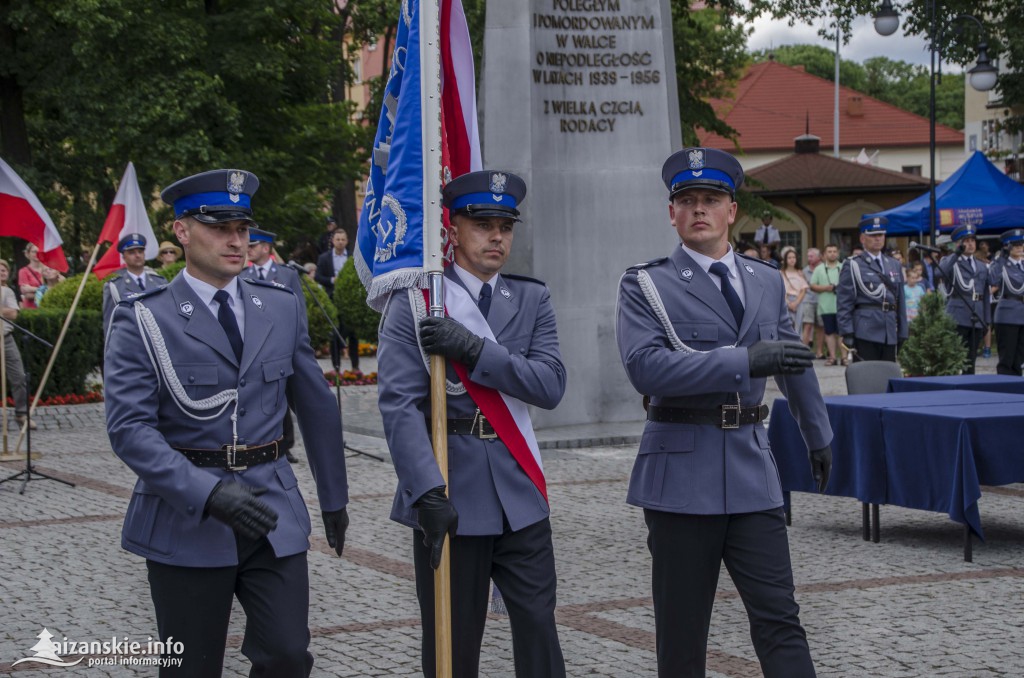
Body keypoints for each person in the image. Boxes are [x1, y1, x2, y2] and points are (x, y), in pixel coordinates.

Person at [104, 168, 350, 677]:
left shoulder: (281, 305)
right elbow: (130, 429)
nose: (236, 240)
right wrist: (208, 493)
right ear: (181, 231)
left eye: (242, 227)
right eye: (219, 227)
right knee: (191, 666)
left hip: (270, 504)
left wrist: (334, 498)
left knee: (286, 653)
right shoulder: (143, 317)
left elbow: (315, 403)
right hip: (186, 516)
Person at [615, 147, 832, 678]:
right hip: (680, 475)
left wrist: (818, 434)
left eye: (710, 199)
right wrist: (743, 360)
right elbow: (647, 369)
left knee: (780, 618)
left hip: (752, 471)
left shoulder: (761, 280)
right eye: (686, 200)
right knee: (683, 633)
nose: (698, 209)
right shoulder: (647, 284)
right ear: (672, 213)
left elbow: (793, 361)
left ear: (731, 210)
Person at [377, 170, 568, 678]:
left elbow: (549, 385)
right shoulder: (416, 301)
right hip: (450, 488)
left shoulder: (531, 298)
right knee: (452, 644)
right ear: (453, 227)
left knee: (538, 630)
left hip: (519, 490)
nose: (497, 236)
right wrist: (426, 491)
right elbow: (398, 406)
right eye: (483, 223)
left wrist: (475, 350)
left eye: (505, 225)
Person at [241, 226, 304, 464]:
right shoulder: (241, 275)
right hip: (254, 348)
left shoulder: (286, 275)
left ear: (266, 248)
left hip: (281, 345)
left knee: (284, 397)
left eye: (253, 245)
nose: (249, 249)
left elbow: (300, 313)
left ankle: (285, 445)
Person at [836, 216, 908, 362]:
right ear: (863, 238)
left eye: (880, 235)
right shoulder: (853, 265)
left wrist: (903, 331)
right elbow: (844, 301)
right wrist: (847, 332)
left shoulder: (894, 264)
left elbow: (900, 300)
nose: (878, 239)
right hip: (865, 330)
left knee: (887, 376)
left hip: (889, 329)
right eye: (873, 235)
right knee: (867, 378)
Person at [938, 224, 990, 374]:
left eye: (972, 240)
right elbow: (940, 272)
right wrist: (956, 254)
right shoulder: (950, 261)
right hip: (958, 316)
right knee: (955, 359)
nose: (970, 244)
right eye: (965, 241)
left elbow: (985, 293)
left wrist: (986, 319)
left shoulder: (981, 266)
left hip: (977, 315)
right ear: (958, 243)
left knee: (971, 359)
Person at [101, 234, 168, 338]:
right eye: (132, 252)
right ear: (124, 257)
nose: (137, 255)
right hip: (130, 342)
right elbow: (110, 324)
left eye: (140, 252)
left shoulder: (160, 282)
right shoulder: (114, 287)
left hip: (159, 341)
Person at [315, 229, 360, 370]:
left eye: (343, 239)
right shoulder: (324, 258)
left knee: (353, 334)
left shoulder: (353, 258)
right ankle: (336, 367)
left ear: (346, 242)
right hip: (332, 299)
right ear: (333, 241)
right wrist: (331, 280)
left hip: (350, 302)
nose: (340, 242)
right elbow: (318, 277)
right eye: (338, 239)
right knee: (334, 334)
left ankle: (355, 367)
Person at [0, 259, 32, 431]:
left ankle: (21, 413)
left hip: (5, 338)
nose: (2, 272)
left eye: (4, 270)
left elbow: (13, 313)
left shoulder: (8, 292)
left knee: (19, 377)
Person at [988, 228, 1024, 376]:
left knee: (1019, 360)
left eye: (1021, 244)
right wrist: (1001, 258)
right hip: (1007, 314)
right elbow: (993, 280)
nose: (1020, 248)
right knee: (1006, 360)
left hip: (1022, 315)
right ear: (1007, 247)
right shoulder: (1000, 264)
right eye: (1015, 245)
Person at [810, 244, 842, 366]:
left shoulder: (843, 267)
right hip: (826, 306)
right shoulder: (819, 269)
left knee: (842, 333)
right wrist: (826, 288)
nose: (832, 254)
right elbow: (812, 285)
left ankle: (844, 358)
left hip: (841, 306)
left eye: (834, 251)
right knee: (829, 332)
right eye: (829, 251)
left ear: (838, 253)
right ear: (824, 255)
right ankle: (832, 357)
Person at [800, 247, 823, 356]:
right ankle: (804, 351)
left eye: (812, 256)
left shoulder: (824, 269)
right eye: (808, 256)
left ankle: (819, 351)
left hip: (821, 301)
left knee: (820, 327)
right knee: (807, 325)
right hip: (808, 301)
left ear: (819, 257)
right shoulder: (804, 271)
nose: (809, 258)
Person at [780, 246, 807, 332]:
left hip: (798, 300)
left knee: (798, 325)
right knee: (788, 325)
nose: (792, 259)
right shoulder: (781, 273)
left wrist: (796, 302)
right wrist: (788, 303)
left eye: (794, 257)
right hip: (786, 300)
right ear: (785, 259)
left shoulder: (799, 273)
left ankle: (798, 344)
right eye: (789, 258)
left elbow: (803, 289)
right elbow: (780, 290)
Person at [18, 242, 45, 309]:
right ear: (28, 254)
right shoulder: (23, 271)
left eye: (39, 252)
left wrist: (31, 289)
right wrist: (46, 291)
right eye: (34, 252)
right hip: (31, 309)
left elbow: (55, 288)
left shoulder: (48, 270)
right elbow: (27, 295)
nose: (37, 254)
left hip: (46, 307)